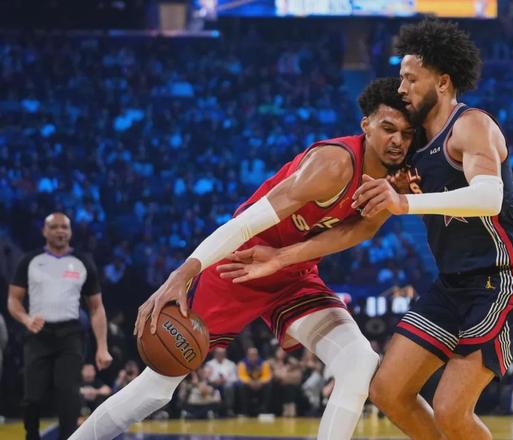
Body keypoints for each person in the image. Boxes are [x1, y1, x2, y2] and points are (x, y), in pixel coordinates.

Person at [218, 20, 513, 440]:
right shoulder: (411, 143)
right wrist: (282, 256)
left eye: (411, 78)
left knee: (451, 409)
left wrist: (403, 202)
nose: (402, 87)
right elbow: (360, 223)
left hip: (503, 280)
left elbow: (488, 197)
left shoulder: (470, 125)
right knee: (388, 391)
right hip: (454, 284)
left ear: (442, 82)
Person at [70, 77, 415, 440]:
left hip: (290, 269)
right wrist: (181, 274)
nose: (398, 140)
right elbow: (245, 223)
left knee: (359, 361)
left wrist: (282, 258)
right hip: (240, 262)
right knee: (158, 385)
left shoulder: (390, 183)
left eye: (407, 134)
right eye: (388, 128)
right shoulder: (334, 165)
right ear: (366, 125)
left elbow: (358, 231)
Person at [7, 212, 113, 439]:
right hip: (38, 333)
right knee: (32, 396)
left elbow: (96, 308)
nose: (60, 231)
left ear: (70, 231)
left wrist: (102, 347)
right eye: (54, 227)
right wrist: (26, 319)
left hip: (70, 335)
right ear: (44, 231)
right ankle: (31, 436)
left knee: (69, 393)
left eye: (64, 227)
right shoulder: (30, 260)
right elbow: (13, 299)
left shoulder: (82, 262)